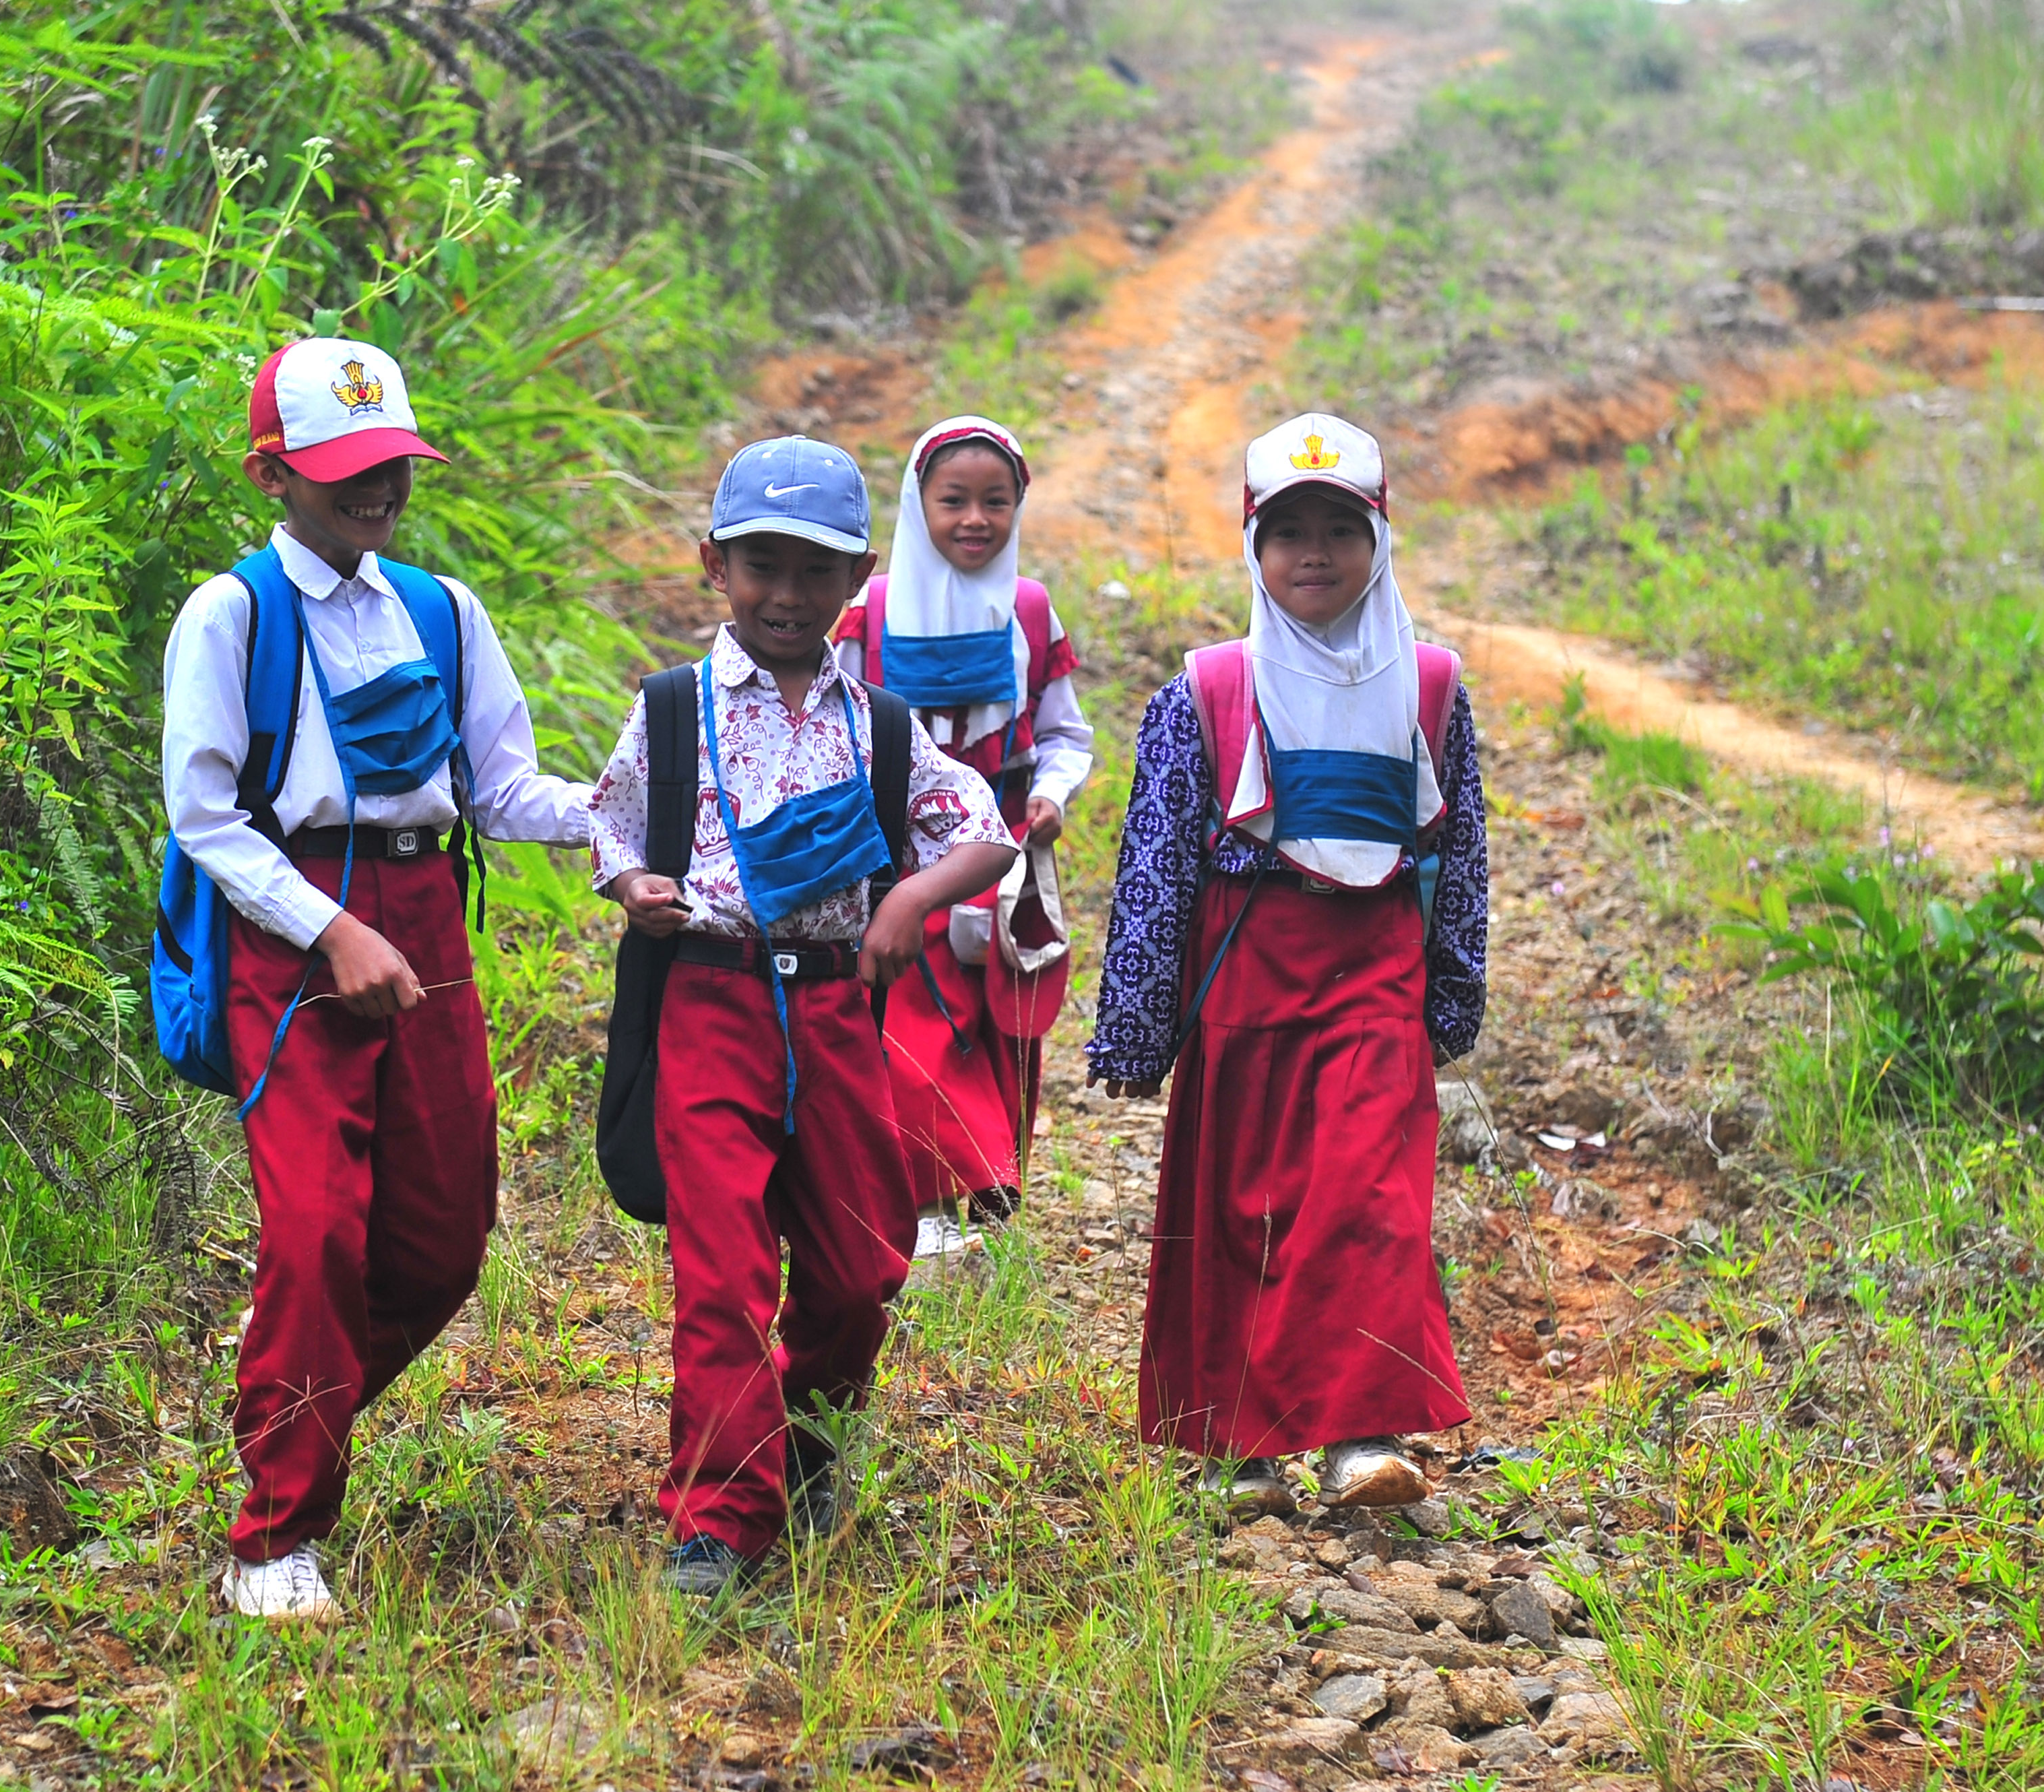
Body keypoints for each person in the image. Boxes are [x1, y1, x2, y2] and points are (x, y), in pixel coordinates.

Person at [161, 338, 591, 1619]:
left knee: (441, 1239)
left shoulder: (446, 612)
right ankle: (276, 1530)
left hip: (427, 922)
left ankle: (292, 1390)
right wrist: (330, 930)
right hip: (291, 937)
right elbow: (205, 816)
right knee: (311, 1232)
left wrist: (634, 830)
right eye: (347, 471)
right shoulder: (234, 613)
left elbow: (504, 790)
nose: (379, 493)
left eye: (393, 466)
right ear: (272, 474)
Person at [587, 437, 1017, 1592]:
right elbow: (613, 827)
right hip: (710, 1004)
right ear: (714, 566)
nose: (787, 595)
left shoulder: (878, 724)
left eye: (815, 571)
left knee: (860, 1263)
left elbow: (979, 826)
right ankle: (718, 1522)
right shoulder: (672, 712)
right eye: (762, 566)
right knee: (722, 1266)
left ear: (860, 577)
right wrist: (637, 886)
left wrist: (913, 904)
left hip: (830, 1010)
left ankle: (807, 1437)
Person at [1085, 412, 1488, 1514]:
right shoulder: (1207, 690)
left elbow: (1460, 858)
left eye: (1341, 530)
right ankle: (1238, 1447)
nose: (1316, 553)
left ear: (1381, 542)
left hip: (1373, 978)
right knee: (1240, 1207)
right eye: (1290, 531)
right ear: (1255, 549)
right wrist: (1137, 1019)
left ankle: (1359, 1432)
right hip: (1245, 982)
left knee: (1372, 1201)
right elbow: (1155, 864)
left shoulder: (1430, 689)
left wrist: (1453, 991)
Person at [833, 417, 1093, 1252]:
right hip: (895, 861)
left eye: (995, 501)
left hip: (999, 861)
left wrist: (1050, 793)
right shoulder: (869, 612)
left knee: (996, 1017)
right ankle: (935, 1189)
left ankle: (981, 1182)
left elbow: (1062, 733)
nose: (975, 519)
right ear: (917, 504)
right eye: (953, 501)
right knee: (911, 1017)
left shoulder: (1028, 610)